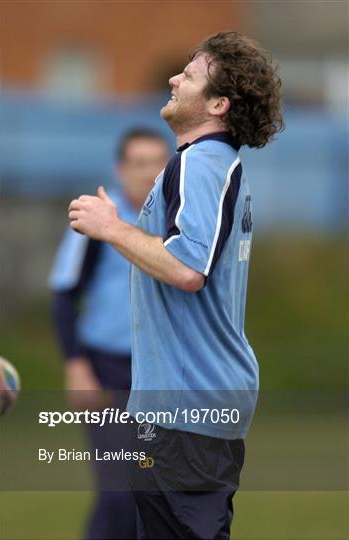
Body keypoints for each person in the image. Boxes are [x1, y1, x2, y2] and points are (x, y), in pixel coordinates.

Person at [68, 31, 283, 540]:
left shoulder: (199, 165)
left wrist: (112, 226)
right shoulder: (209, 167)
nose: (173, 78)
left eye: (189, 75)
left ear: (217, 103)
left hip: (188, 412)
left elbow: (188, 270)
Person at [49, 128, 170, 540]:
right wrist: (76, 367)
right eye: (139, 163)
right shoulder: (98, 218)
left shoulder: (181, 221)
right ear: (121, 170)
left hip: (163, 377)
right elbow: (64, 296)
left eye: (158, 162)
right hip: (108, 371)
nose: (149, 172)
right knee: (120, 491)